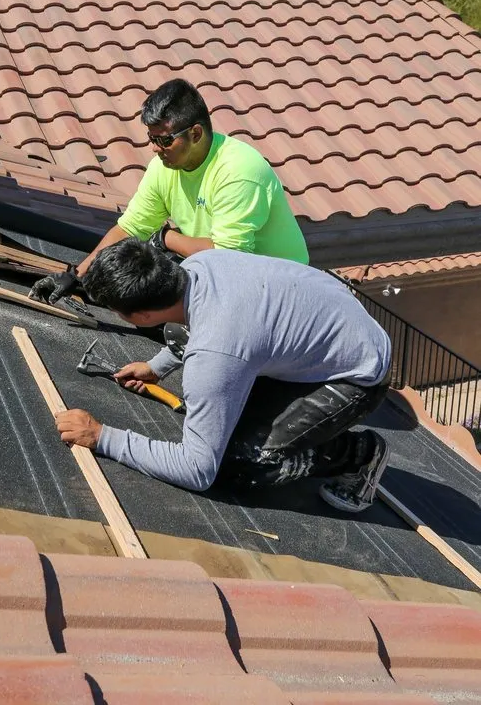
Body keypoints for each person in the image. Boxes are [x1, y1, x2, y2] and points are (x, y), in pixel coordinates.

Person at [55, 239, 393, 514]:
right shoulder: (198, 266)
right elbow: (204, 324)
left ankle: (357, 453)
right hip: (331, 325)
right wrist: (157, 366)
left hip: (358, 374)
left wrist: (102, 437)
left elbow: (196, 470)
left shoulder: (214, 353)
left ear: (141, 314)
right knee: (180, 335)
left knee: (241, 463)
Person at [31, 78, 308, 306]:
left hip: (278, 293)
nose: (154, 148)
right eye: (151, 139)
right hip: (219, 274)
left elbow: (229, 258)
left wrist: (167, 238)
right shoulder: (163, 168)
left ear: (196, 134)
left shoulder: (240, 172)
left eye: (164, 140)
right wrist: (76, 276)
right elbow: (130, 228)